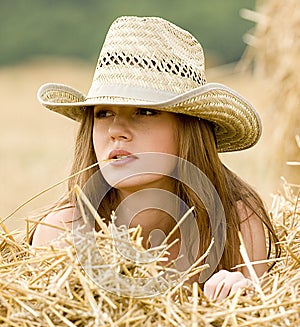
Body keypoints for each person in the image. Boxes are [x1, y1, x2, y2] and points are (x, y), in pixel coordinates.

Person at [30, 16, 279, 300]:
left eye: (145, 111)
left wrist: (238, 297)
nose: (115, 131)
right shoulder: (64, 232)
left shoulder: (236, 221)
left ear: (188, 128)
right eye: (103, 113)